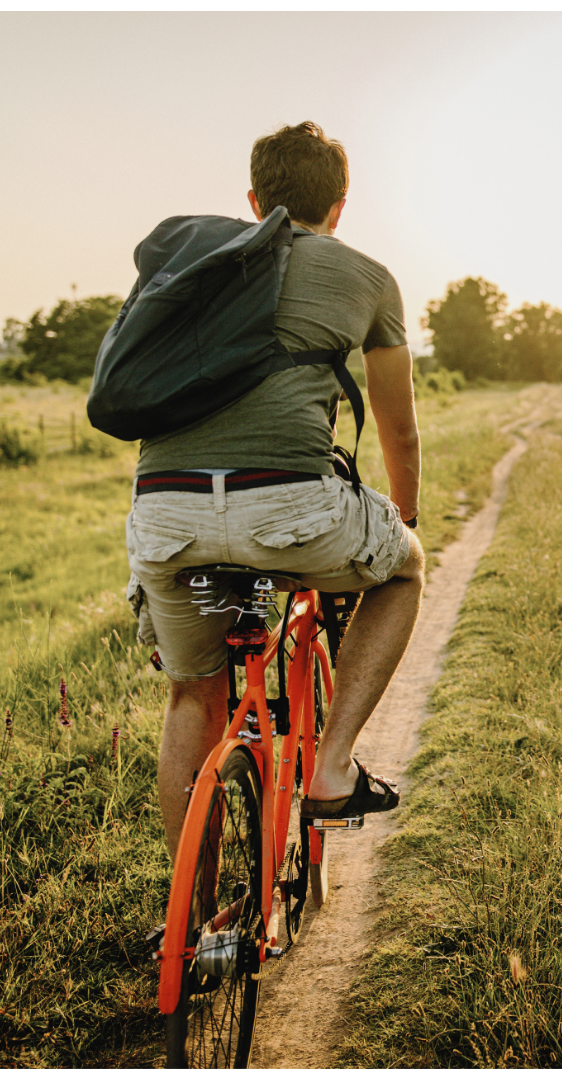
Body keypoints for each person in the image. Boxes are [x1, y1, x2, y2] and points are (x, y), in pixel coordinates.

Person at [124, 121, 425, 859]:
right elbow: (400, 432)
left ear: (255, 201)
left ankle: (193, 903)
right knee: (406, 570)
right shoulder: (369, 276)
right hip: (290, 509)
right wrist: (404, 519)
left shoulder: (197, 266)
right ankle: (332, 769)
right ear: (341, 204)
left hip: (165, 512)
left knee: (192, 695)